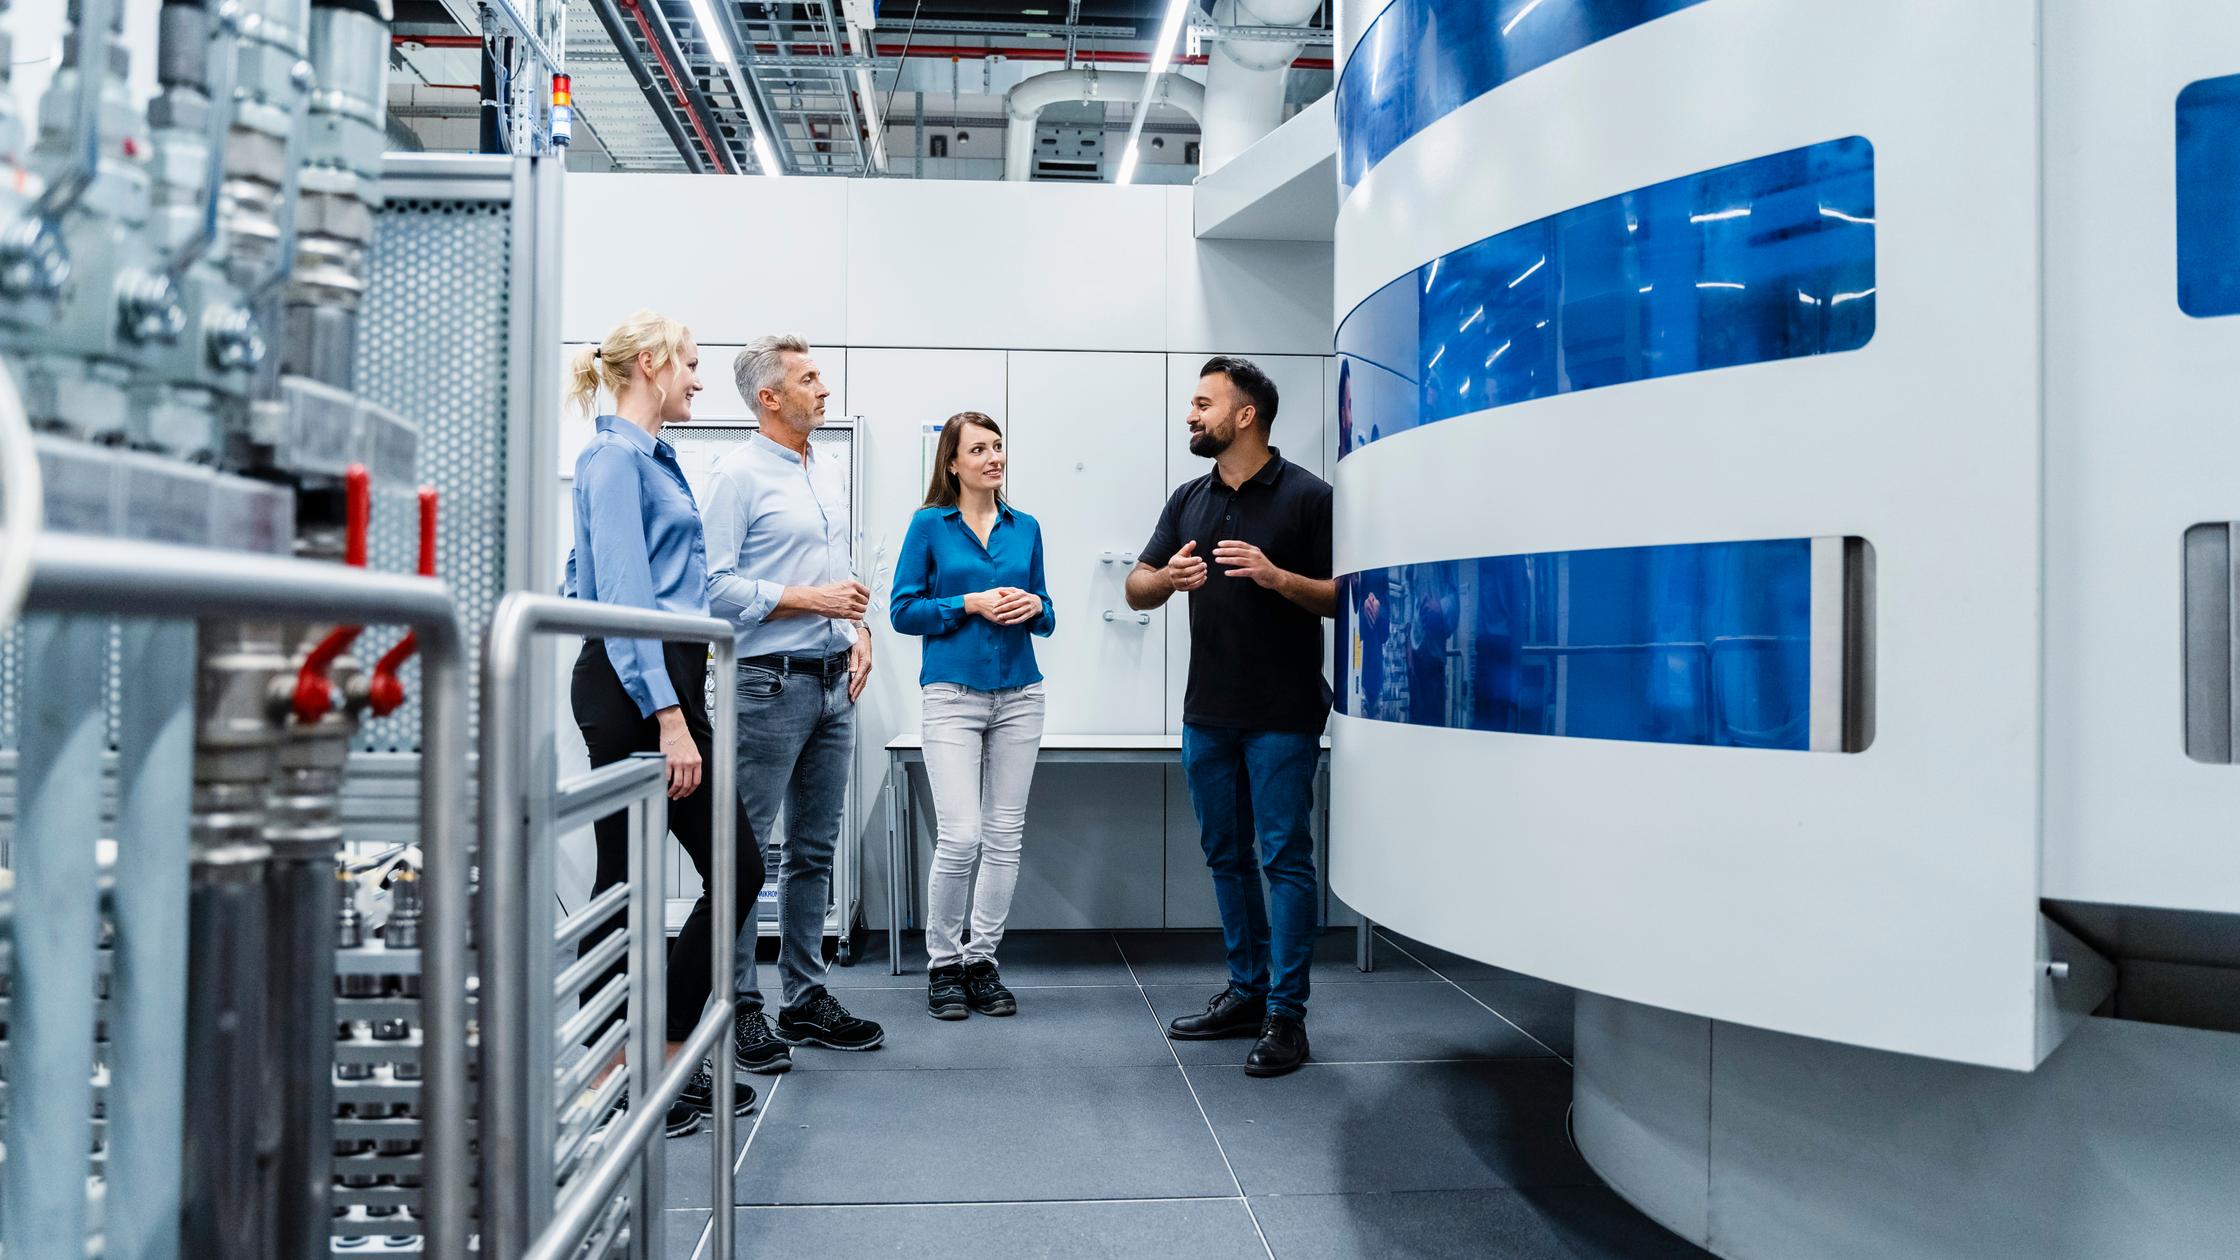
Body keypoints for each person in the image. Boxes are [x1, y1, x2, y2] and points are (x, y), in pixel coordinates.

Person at [564, 310, 761, 1137]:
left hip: (656, 681)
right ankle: (639, 1065)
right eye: (690, 363)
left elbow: (599, 577)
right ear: (650, 364)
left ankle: (646, 1061)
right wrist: (669, 717)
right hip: (636, 689)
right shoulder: (612, 461)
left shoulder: (652, 461)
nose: (699, 378)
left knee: (654, 874)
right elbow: (618, 598)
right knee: (702, 872)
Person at [1125, 356, 1336, 1078]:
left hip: (1282, 715)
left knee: (1285, 860)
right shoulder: (1189, 498)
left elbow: (1346, 594)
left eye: (1202, 402)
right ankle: (1246, 993)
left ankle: (1287, 1014)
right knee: (1226, 857)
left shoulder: (1309, 497)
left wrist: (1279, 578)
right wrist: (1166, 578)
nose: (1190, 414)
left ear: (1245, 415)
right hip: (1207, 714)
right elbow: (1136, 586)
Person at [703, 334, 885, 1068]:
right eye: (810, 379)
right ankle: (739, 1008)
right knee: (747, 853)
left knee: (813, 849)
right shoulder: (735, 476)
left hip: (833, 678)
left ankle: (804, 997)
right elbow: (710, 588)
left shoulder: (828, 470)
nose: (825, 389)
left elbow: (840, 574)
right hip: (766, 681)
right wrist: (810, 599)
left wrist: (857, 629)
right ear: (768, 397)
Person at [889, 412, 1054, 1021]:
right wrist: (967, 602)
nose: (993, 458)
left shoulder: (1026, 527)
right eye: (979, 449)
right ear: (952, 463)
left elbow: (1048, 613)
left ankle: (981, 960)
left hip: (1020, 697)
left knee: (1005, 837)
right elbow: (904, 611)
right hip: (952, 697)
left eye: (998, 447)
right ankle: (943, 965)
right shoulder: (930, 525)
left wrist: (1036, 604)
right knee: (961, 837)